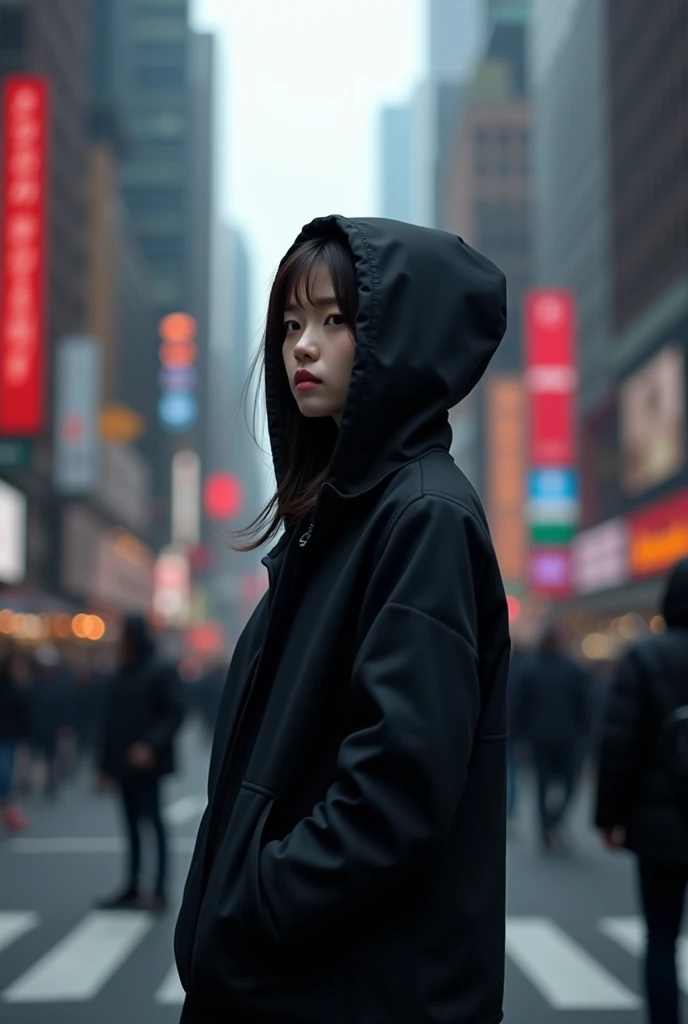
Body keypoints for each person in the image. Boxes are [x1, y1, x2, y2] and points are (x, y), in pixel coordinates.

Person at [174, 216, 511, 1023]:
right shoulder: (341, 517)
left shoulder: (421, 516)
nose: (302, 346)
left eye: (335, 320)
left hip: (350, 987)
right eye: (291, 323)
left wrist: (252, 902)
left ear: (396, 341)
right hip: (318, 980)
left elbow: (393, 794)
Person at [595, 559, 688, 1024]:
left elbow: (619, 745)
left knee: (662, 937)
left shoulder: (647, 658)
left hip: (661, 824)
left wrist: (607, 818)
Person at [98, 614, 184, 912]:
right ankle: (133, 886)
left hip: (149, 765)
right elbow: (109, 721)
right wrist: (104, 765)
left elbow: (175, 713)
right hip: (123, 763)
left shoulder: (160, 669)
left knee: (153, 823)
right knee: (131, 826)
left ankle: (159, 888)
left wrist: (150, 746)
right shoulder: (120, 672)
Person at [513, 623, 590, 852]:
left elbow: (518, 706)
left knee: (542, 784)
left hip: (539, 737)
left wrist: (519, 737)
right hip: (567, 737)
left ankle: (546, 827)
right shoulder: (572, 668)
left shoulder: (528, 668)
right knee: (570, 784)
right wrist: (584, 734)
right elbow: (584, 705)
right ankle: (553, 822)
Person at [0, 648, 32, 832]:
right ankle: (8, 807)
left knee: (8, 774)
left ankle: (8, 807)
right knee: (4, 773)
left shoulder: (19, 688)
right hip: (4, 736)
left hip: (11, 737)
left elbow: (24, 714)